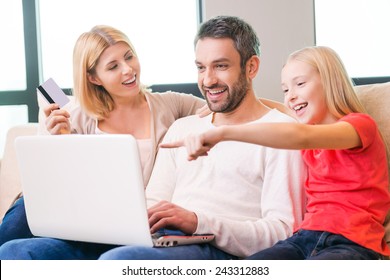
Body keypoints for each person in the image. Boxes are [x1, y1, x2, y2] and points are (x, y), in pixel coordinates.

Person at [0, 16, 306, 260]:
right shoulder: (179, 127)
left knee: (119, 262)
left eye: (221, 66)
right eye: (201, 67)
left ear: (251, 67)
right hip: (135, 231)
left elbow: (282, 230)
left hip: (208, 243)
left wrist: (289, 110)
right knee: (15, 251)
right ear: (94, 78)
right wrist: (54, 139)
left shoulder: (275, 132)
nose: (208, 79)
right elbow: (150, 201)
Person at [163, 46, 390, 260]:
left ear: (330, 83)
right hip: (305, 238)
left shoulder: (359, 126)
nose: (290, 96)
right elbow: (284, 113)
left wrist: (223, 133)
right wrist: (225, 105)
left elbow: (299, 136)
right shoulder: (310, 128)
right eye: (285, 89)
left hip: (353, 242)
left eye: (300, 84)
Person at [0, 25, 205, 249]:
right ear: (94, 78)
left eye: (129, 57)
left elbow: (220, 110)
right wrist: (55, 139)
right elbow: (57, 185)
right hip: (85, 218)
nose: (128, 69)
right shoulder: (76, 114)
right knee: (25, 209)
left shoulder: (170, 104)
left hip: (132, 222)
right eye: (113, 66)